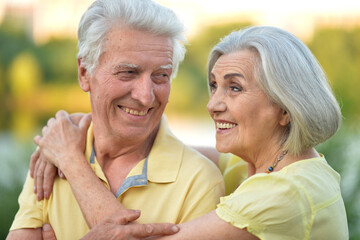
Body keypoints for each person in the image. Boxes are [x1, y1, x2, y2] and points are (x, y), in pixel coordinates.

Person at [30, 25, 349, 239]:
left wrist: (69, 158)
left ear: (285, 108)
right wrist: (81, 126)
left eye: (234, 88)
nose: (213, 105)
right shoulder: (261, 164)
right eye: (214, 86)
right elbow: (167, 148)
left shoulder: (285, 192)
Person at [6, 0, 225, 239]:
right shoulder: (51, 154)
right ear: (84, 73)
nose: (145, 96)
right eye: (128, 72)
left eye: (161, 75)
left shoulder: (199, 182)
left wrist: (71, 160)